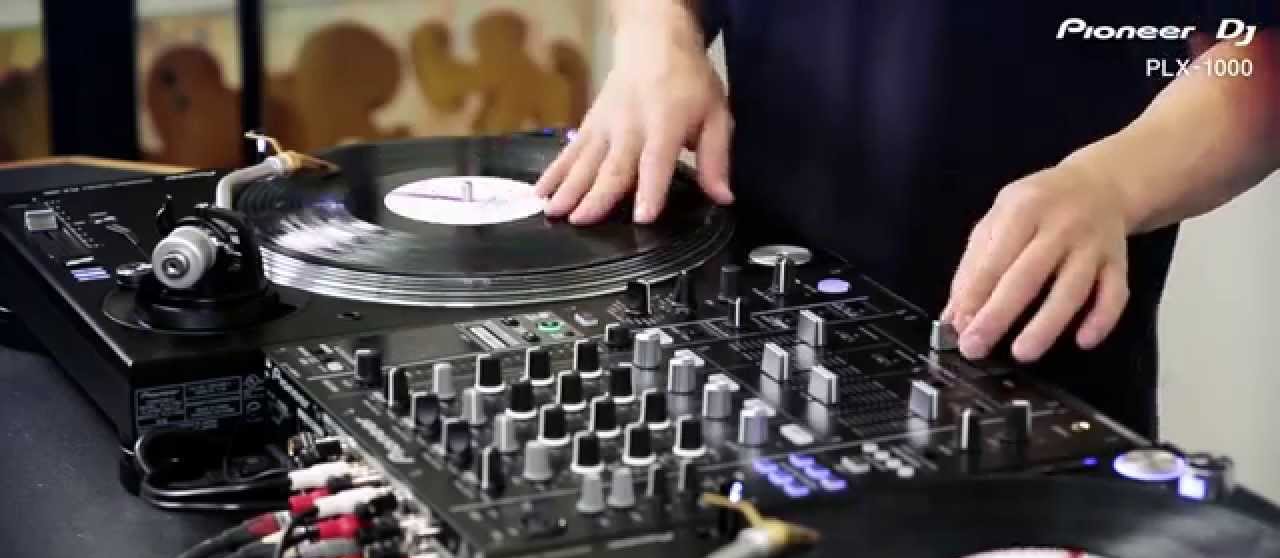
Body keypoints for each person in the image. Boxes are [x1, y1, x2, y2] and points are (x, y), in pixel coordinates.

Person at [535, 1, 1279, 438]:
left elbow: (1254, 55)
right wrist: (656, 41)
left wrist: (1111, 182)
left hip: (1018, 387)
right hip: (733, 339)